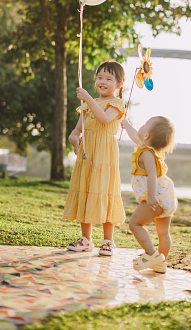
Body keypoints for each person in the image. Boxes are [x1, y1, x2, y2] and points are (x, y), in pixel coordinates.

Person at [64, 61, 126, 256]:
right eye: (100, 77)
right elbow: (76, 131)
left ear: (119, 84)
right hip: (87, 154)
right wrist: (74, 140)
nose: (102, 81)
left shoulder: (116, 104)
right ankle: (86, 239)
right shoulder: (87, 106)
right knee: (86, 190)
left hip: (105, 157)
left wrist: (88, 99)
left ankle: (108, 241)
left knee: (105, 191)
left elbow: (104, 119)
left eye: (109, 79)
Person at [121, 116, 177, 272]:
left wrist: (151, 197)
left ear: (146, 136)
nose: (142, 125)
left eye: (145, 124)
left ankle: (151, 254)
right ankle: (160, 264)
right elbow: (135, 136)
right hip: (166, 195)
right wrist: (126, 124)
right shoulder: (152, 150)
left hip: (155, 195)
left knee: (135, 224)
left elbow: (151, 175)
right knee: (164, 233)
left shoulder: (146, 153)